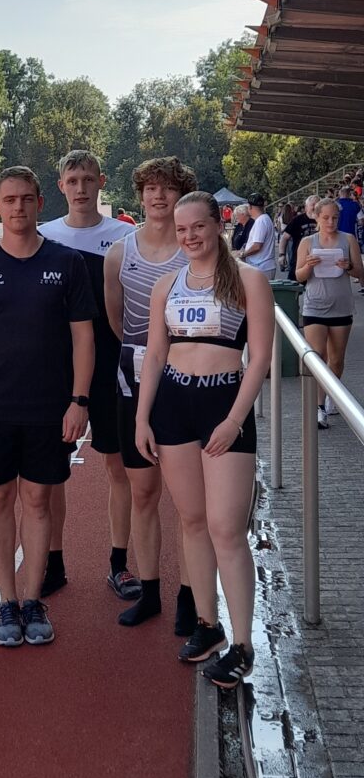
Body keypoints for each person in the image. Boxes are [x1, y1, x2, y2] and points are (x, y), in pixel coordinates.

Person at [0, 167, 95, 646]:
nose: (18, 208)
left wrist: (79, 401)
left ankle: (33, 600)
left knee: (37, 501)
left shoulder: (67, 263)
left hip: (49, 408)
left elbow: (83, 338)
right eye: (9, 199)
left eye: (27, 199)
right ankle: (6, 603)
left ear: (38, 203)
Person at [135, 191, 274, 688]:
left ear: (218, 225)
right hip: (173, 405)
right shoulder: (165, 286)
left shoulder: (250, 282)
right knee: (192, 520)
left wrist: (236, 419)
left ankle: (243, 644)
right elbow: (154, 356)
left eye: (199, 226)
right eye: (182, 230)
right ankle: (207, 624)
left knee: (225, 528)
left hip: (223, 406)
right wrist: (142, 418)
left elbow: (259, 358)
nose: (190, 236)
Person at [103, 155, 199, 633]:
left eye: (169, 189)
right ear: (140, 194)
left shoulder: (199, 252)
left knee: (187, 501)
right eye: (151, 189)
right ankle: (150, 591)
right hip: (132, 376)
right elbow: (118, 322)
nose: (159, 197)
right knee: (142, 492)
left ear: (181, 195)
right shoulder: (120, 253)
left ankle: (188, 595)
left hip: (184, 381)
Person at [38, 149, 138, 599]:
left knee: (118, 467)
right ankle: (53, 563)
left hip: (112, 365)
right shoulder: (44, 236)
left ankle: (119, 564)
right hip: (59, 370)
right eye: (71, 181)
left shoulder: (124, 236)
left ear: (101, 182)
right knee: (53, 471)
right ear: (60, 186)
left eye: (87, 180)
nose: (80, 189)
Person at [295, 198, 364, 428]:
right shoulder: (307, 241)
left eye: (335, 217)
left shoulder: (348, 240)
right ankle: (319, 406)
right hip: (314, 306)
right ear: (316, 217)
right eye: (326, 217)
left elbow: (359, 272)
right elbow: (299, 276)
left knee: (336, 359)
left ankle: (333, 394)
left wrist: (347, 267)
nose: (331, 222)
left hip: (341, 306)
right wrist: (309, 266)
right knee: (317, 357)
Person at [278, 195, 318, 281]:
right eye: (313, 204)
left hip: (318, 262)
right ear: (306, 207)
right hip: (298, 261)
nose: (315, 207)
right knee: (295, 289)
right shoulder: (297, 220)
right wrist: (282, 255)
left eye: (318, 205)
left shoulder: (323, 220)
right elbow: (284, 238)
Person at [237, 194, 276, 279]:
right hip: (263, 266)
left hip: (262, 266)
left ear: (250, 207)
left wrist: (242, 254)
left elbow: (257, 246)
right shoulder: (264, 219)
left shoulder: (261, 221)